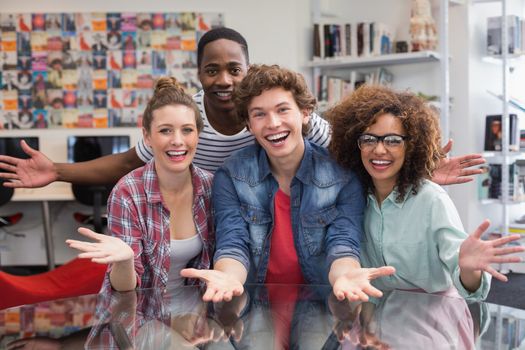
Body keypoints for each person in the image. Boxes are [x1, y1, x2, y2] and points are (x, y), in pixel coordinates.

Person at [0, 27, 481, 187]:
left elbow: (358, 150)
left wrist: (416, 169)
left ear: (248, 71)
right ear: (199, 75)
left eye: (235, 68)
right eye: (213, 69)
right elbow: (128, 163)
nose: (224, 79)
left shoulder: (282, 115)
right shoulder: (185, 120)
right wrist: (57, 171)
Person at [182, 64, 395, 302]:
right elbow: (233, 243)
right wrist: (228, 277)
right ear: (249, 125)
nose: (273, 123)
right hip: (256, 302)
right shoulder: (230, 176)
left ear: (304, 113)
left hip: (320, 301)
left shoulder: (343, 175)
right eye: (259, 114)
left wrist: (345, 275)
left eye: (282, 110)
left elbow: (343, 242)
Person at [327, 84, 524, 303]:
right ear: (355, 144)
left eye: (393, 140)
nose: (379, 150)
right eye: (369, 139)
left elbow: (472, 288)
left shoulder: (432, 199)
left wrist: (469, 269)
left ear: (411, 147)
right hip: (373, 318)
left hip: (430, 318)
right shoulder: (352, 199)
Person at [65, 77, 214, 292]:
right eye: (165, 130)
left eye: (187, 130)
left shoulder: (211, 187)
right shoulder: (127, 192)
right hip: (142, 314)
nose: (178, 141)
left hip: (198, 312)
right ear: (147, 136)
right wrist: (125, 261)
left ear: (198, 135)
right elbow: (124, 288)